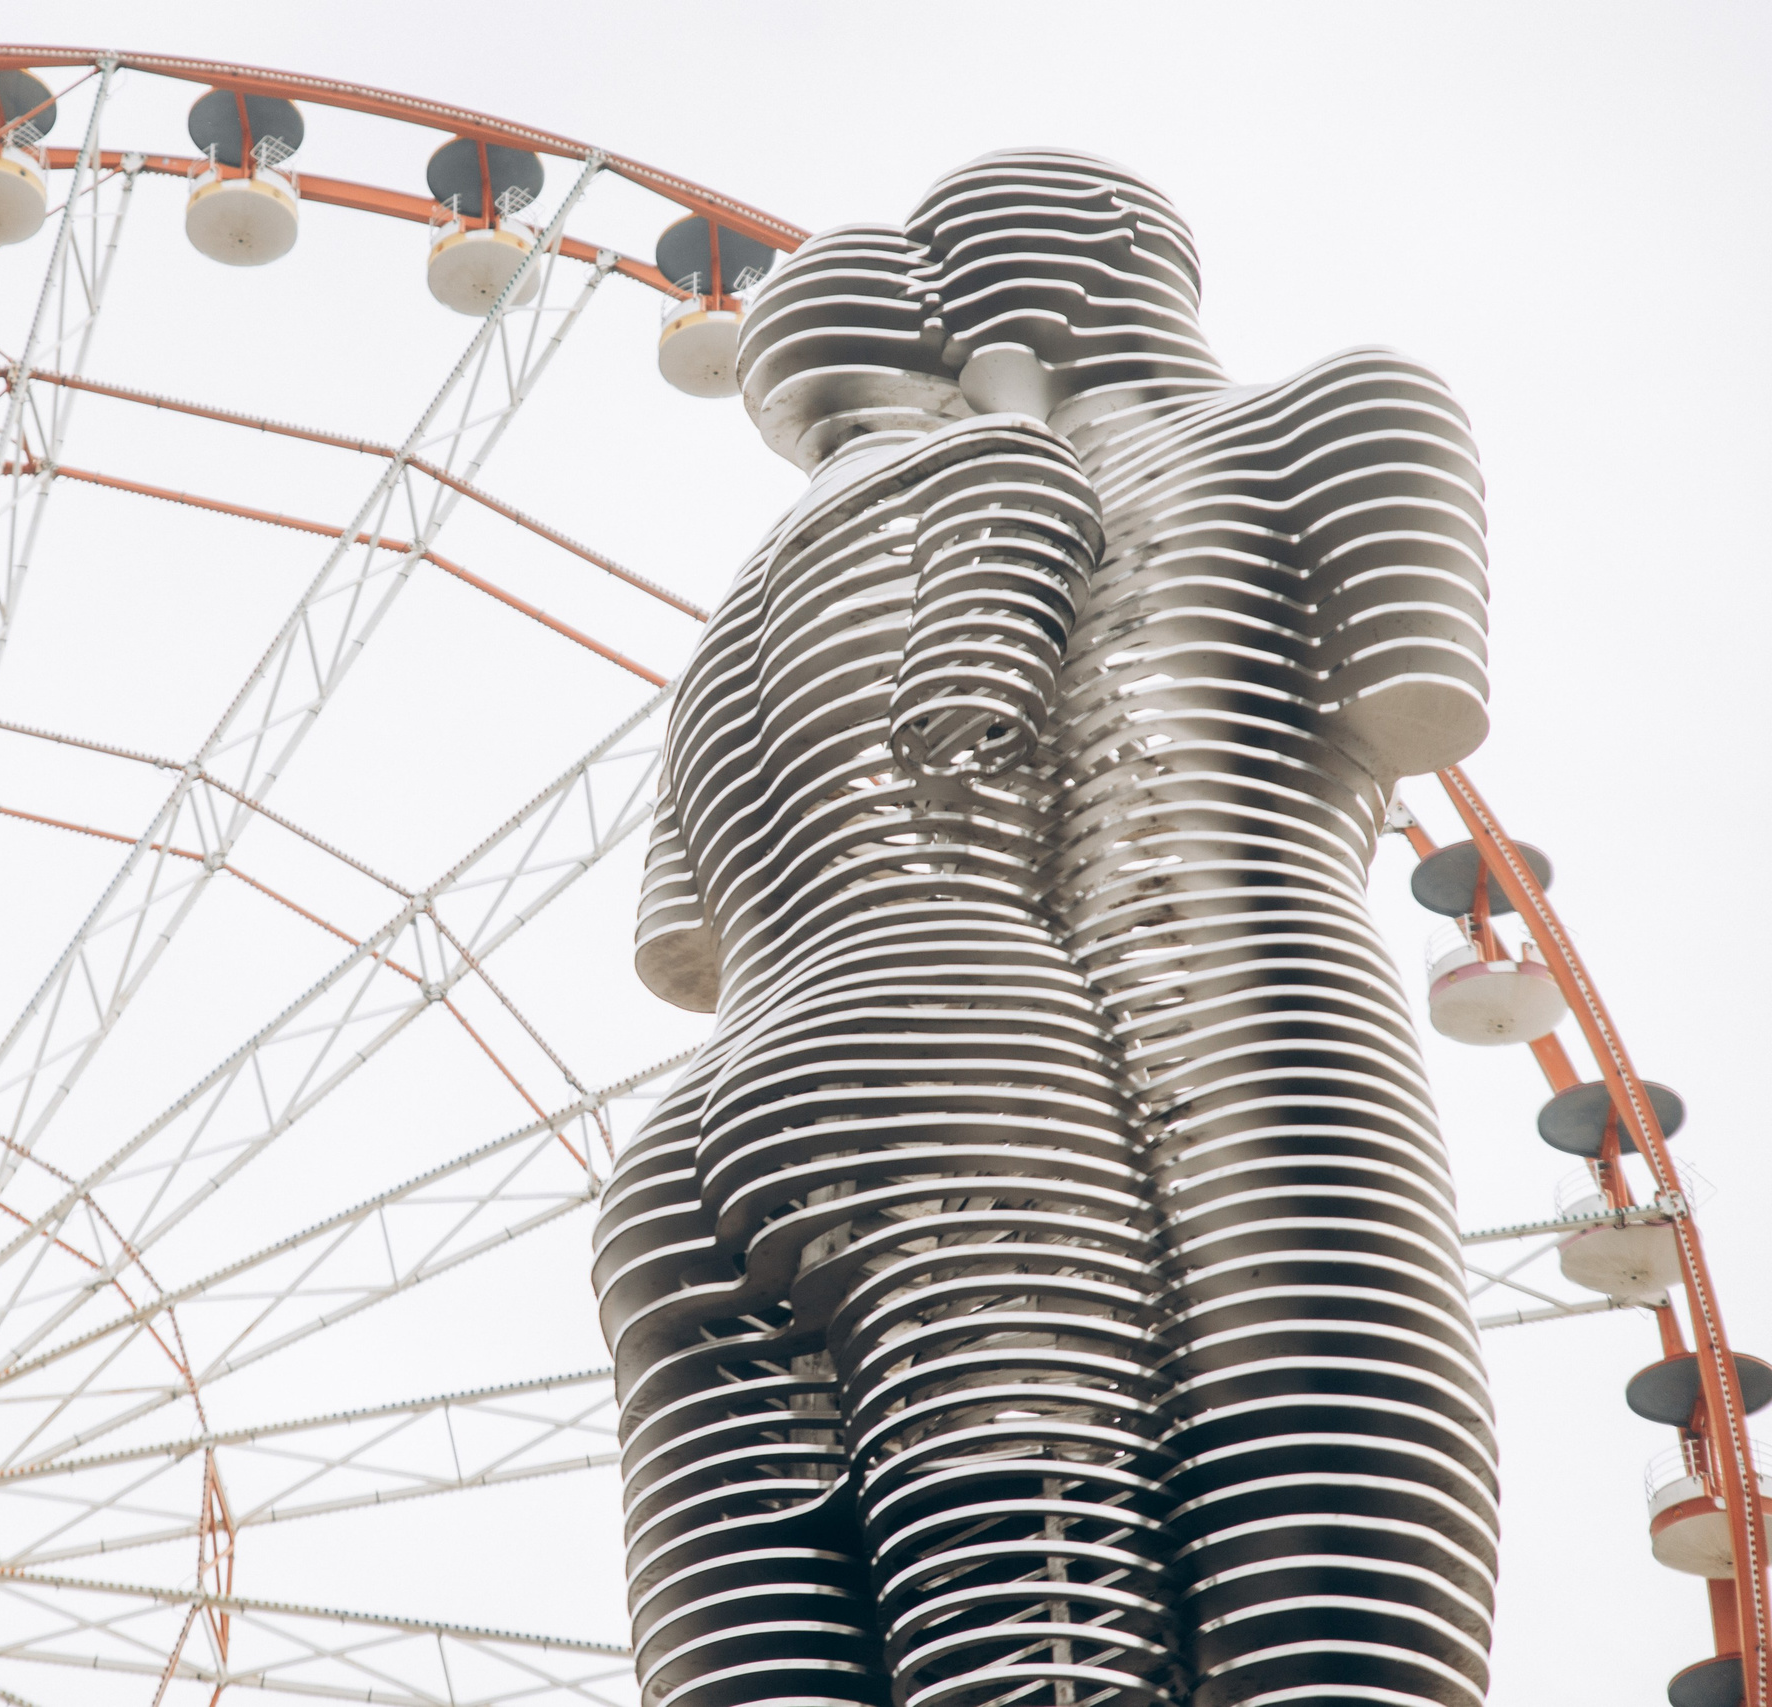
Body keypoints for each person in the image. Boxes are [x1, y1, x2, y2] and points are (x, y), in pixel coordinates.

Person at [595, 149, 1497, 1707]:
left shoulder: (730, 629)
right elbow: (989, 718)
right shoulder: (1023, 473)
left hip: (701, 1133)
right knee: (1243, 1583)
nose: (959, 302)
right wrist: (1010, 440)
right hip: (1076, 1032)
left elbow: (683, 942)